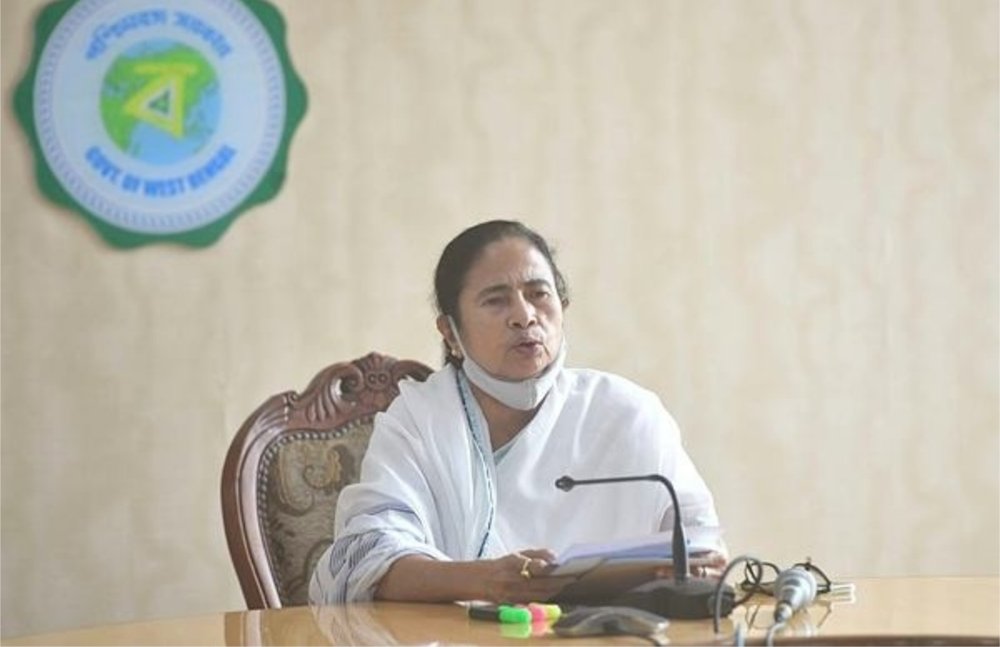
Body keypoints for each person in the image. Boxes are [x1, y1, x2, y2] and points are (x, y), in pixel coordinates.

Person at [309, 220, 724, 605]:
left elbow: (702, 546)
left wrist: (701, 567)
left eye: (539, 294)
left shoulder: (627, 413)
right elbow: (364, 562)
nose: (525, 317)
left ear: (563, 306)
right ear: (450, 332)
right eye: (496, 301)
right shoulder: (420, 421)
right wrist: (483, 581)